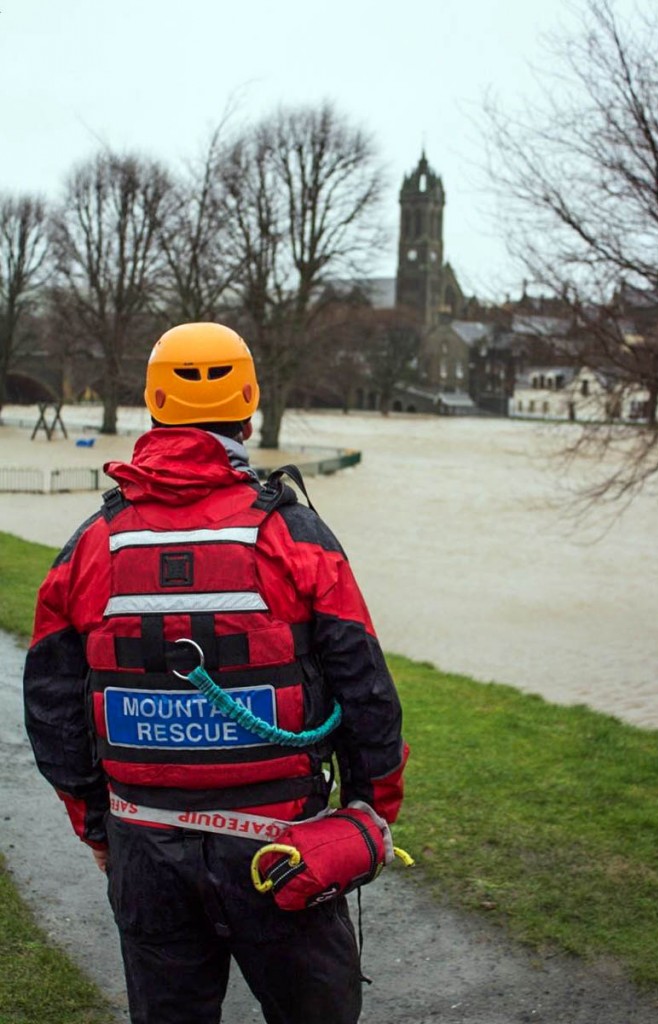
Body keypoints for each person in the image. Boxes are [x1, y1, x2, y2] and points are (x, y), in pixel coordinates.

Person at [23, 321, 408, 1024]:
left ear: (153, 405)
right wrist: (368, 813)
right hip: (282, 851)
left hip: (144, 850)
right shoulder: (294, 534)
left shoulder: (92, 544)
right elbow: (365, 688)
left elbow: (50, 707)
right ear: (250, 406)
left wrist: (98, 829)